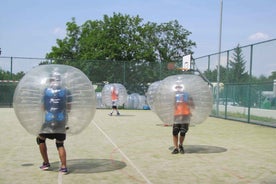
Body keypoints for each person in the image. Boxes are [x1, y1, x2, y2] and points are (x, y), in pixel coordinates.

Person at [36, 72, 72, 174]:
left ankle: (46, 163)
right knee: (60, 143)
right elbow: (69, 108)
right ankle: (64, 167)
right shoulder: (66, 91)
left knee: (41, 139)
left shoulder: (46, 91)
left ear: (50, 80)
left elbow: (42, 108)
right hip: (61, 121)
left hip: (49, 120)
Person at [171, 84, 194, 154]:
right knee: (175, 131)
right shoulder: (174, 96)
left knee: (183, 131)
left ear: (183, 88)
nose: (178, 88)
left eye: (180, 87)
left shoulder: (188, 95)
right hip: (177, 115)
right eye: (177, 87)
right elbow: (172, 105)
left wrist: (189, 103)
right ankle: (175, 147)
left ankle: (180, 145)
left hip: (186, 115)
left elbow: (193, 105)